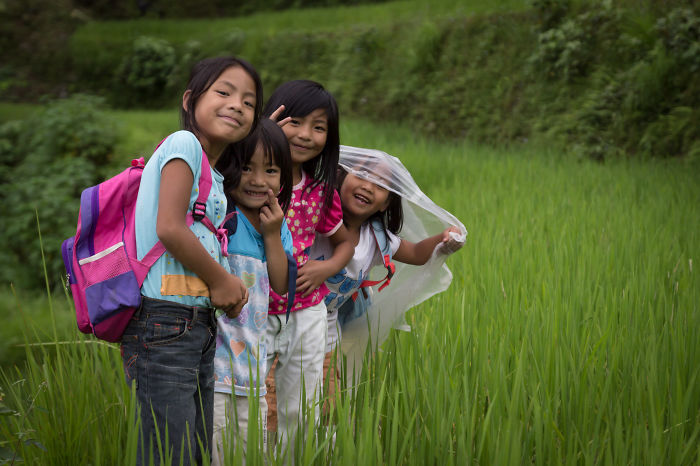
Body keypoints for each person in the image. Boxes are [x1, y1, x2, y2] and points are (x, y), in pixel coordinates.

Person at [120, 56, 263, 466]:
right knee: (171, 453)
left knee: (192, 451)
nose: (237, 105)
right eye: (224, 92)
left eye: (249, 102)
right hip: (164, 322)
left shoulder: (214, 174)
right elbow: (170, 226)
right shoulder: (184, 145)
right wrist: (221, 281)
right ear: (190, 100)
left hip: (192, 325)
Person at [311, 148, 465, 415]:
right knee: (277, 398)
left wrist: (443, 239)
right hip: (287, 323)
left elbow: (416, 254)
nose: (368, 186)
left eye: (381, 185)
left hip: (326, 334)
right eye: (362, 173)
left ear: (385, 203)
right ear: (342, 177)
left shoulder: (376, 238)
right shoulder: (317, 215)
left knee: (325, 405)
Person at [261, 80, 354, 457]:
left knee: (302, 402)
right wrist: (260, 137)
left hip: (307, 308)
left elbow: (345, 241)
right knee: (242, 399)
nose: (305, 134)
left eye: (319, 127)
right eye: (294, 121)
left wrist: (325, 268)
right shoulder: (247, 180)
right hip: (252, 309)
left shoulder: (320, 190)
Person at [210, 119, 294, 464]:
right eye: (246, 167)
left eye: (271, 170)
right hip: (214, 371)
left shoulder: (276, 223)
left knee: (249, 454)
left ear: (283, 178)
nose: (258, 181)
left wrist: (272, 234)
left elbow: (280, 284)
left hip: (253, 373)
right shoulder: (220, 215)